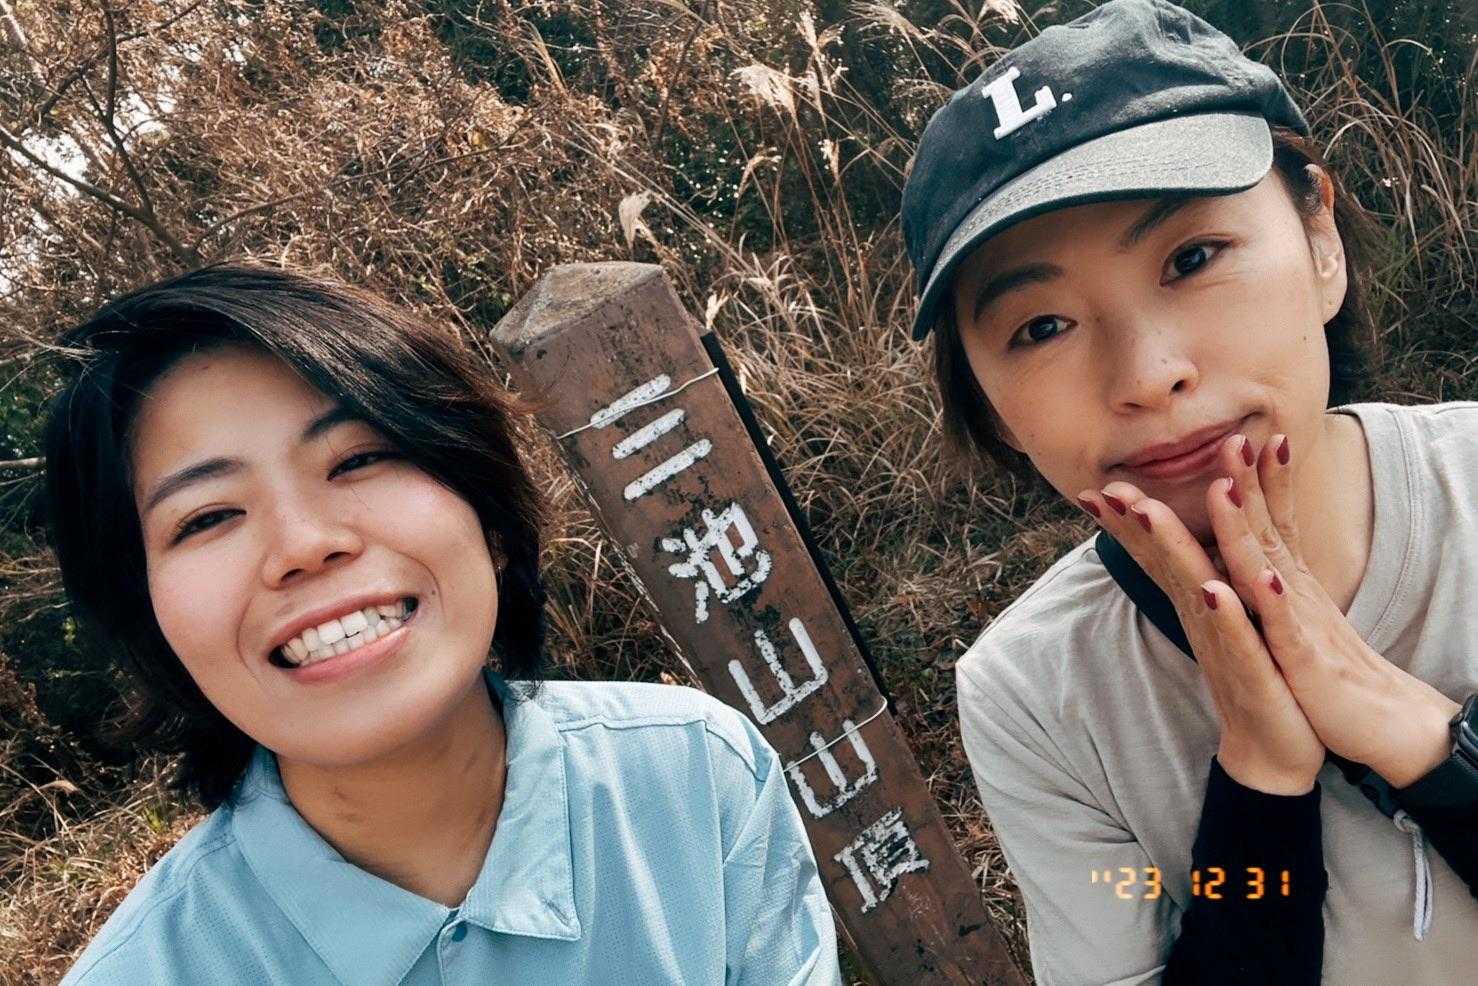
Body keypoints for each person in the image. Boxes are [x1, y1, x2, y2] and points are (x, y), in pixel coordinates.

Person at [43, 261, 842, 985]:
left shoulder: (693, 777)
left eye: (358, 459)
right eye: (208, 517)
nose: (305, 544)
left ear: (487, 515)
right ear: (148, 620)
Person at [897, 1, 1478, 983]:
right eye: (1040, 326)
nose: (1147, 375)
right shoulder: (1035, 696)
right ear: (992, 408)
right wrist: (1259, 783)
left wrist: (1428, 745)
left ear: (1319, 239)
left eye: (1191, 258)